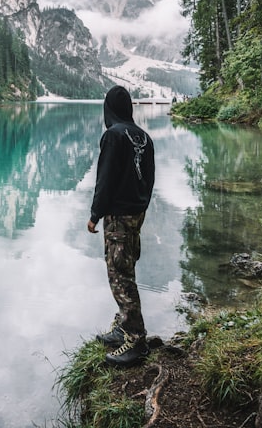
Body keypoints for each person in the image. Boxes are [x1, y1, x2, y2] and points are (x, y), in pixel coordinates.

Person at [87, 85, 156, 367]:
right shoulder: (144, 137)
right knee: (126, 267)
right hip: (136, 213)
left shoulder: (113, 136)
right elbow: (149, 179)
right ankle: (123, 327)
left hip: (117, 216)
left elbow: (105, 180)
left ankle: (136, 340)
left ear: (109, 109)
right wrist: (140, 207)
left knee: (119, 274)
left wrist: (95, 214)